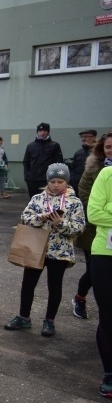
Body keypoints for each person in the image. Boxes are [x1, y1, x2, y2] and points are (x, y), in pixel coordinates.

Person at [4, 163, 84, 337]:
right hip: (35, 248)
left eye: (61, 181)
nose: (56, 185)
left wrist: (60, 223)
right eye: (53, 181)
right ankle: (23, 317)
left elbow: (79, 228)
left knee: (54, 286)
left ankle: (49, 321)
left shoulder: (74, 202)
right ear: (47, 181)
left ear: (67, 182)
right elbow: (25, 217)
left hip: (60, 251)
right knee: (28, 284)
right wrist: (41, 218)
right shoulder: (37, 199)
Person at [73, 131, 112, 320]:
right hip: (94, 231)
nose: (111, 151)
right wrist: (102, 210)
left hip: (105, 220)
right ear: (102, 149)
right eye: (108, 147)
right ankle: (80, 298)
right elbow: (87, 199)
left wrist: (106, 207)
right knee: (93, 272)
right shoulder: (93, 169)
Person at [87, 161, 112, 398]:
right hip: (104, 254)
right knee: (107, 314)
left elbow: (104, 211)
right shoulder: (107, 174)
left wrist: (110, 208)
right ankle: (109, 373)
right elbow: (94, 213)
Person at [23, 122, 64, 198]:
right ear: (37, 132)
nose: (42, 133)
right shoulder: (31, 146)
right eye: (40, 131)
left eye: (45, 131)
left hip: (47, 180)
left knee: (47, 202)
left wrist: (55, 179)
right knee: (34, 201)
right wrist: (27, 176)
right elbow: (26, 162)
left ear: (48, 132)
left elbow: (59, 163)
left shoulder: (54, 145)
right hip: (32, 180)